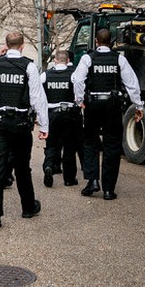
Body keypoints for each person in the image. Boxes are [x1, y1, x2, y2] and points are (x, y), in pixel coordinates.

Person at [0, 32, 49, 228]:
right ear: (22, 45)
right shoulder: (28, 66)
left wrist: (1, 57)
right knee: (22, 167)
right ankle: (28, 207)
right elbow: (37, 98)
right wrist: (44, 126)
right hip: (20, 123)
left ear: (6, 45)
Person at [72, 28, 143, 200]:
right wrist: (138, 105)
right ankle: (109, 189)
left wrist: (79, 99)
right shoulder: (119, 59)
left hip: (93, 105)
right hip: (112, 106)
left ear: (96, 41)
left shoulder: (88, 58)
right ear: (110, 42)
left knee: (90, 142)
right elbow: (131, 83)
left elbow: (77, 79)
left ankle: (92, 181)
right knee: (112, 145)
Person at [40, 50, 82, 188]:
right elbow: (78, 93)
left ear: (55, 60)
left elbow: (39, 95)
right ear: (68, 60)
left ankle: (49, 166)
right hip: (69, 114)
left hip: (51, 114)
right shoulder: (73, 74)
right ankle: (69, 179)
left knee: (51, 144)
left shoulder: (45, 75)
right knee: (69, 146)